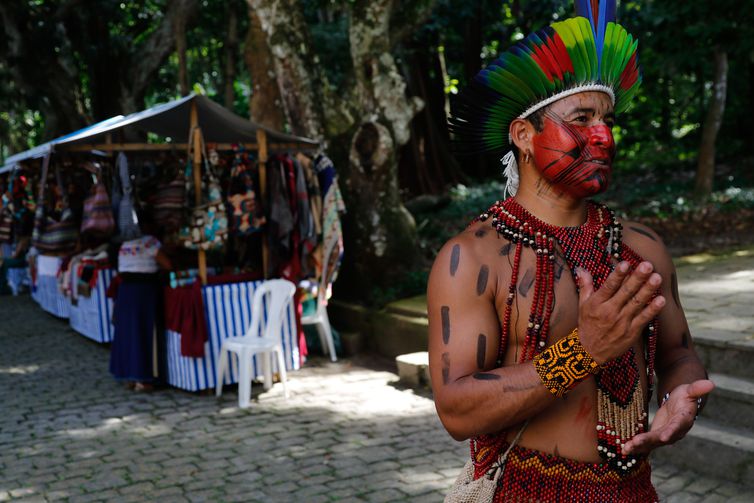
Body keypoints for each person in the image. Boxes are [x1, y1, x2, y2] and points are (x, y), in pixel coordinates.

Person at [428, 1, 714, 501]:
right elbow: (457, 410)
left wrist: (681, 396)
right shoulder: (473, 258)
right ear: (523, 135)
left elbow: (678, 355)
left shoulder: (643, 247)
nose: (603, 136)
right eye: (581, 119)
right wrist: (583, 351)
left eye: (606, 120)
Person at [110, 211, 172, 391]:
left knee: (129, 333)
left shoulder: (124, 243)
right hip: (143, 291)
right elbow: (168, 265)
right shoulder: (149, 242)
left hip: (126, 291)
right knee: (144, 333)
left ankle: (131, 375)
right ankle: (145, 378)